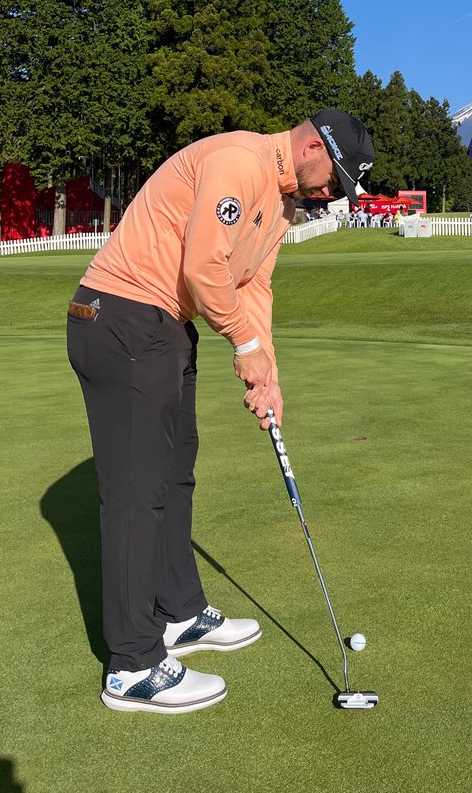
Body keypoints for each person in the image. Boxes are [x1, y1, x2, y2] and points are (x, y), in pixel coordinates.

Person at [66, 110, 375, 715]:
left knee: (176, 473)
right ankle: (131, 666)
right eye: (333, 180)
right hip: (122, 316)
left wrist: (268, 374)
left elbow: (253, 287)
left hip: (164, 326)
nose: (330, 193)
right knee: (136, 495)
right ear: (312, 147)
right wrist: (243, 344)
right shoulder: (239, 162)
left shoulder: (281, 205)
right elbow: (204, 268)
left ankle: (178, 612)